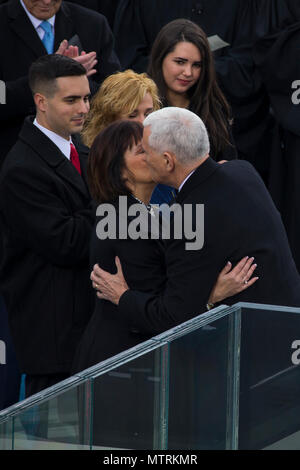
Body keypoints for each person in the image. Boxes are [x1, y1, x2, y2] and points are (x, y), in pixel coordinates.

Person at [73, 119, 257, 374]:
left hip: (136, 360)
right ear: (119, 171)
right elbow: (156, 305)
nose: (153, 155)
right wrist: (211, 296)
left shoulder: (146, 213)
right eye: (142, 151)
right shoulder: (122, 220)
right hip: (118, 365)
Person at [91, 107, 300, 329]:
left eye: (146, 151)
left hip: (254, 341)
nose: (145, 158)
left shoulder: (187, 218)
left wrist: (123, 297)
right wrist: (211, 293)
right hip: (287, 324)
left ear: (167, 161)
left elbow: (172, 317)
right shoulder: (242, 171)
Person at [0, 54, 95, 399]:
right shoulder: (22, 169)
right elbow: (66, 242)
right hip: (52, 338)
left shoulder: (83, 150)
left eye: (86, 98)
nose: (83, 108)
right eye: (71, 100)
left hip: (85, 326)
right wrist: (109, 204)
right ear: (41, 102)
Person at [0, 0, 120, 168]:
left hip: (82, 158)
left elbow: (113, 93)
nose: (47, 1)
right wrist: (46, 76)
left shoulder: (93, 24)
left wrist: (75, 81)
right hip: (13, 156)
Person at [147, 19, 237, 162]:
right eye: (180, 62)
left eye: (197, 65)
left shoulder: (213, 110)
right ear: (160, 59)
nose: (188, 72)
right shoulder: (142, 107)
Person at [81, 69, 175, 204]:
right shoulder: (92, 166)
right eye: (132, 115)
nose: (143, 123)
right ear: (109, 120)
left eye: (148, 114)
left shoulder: (166, 159)